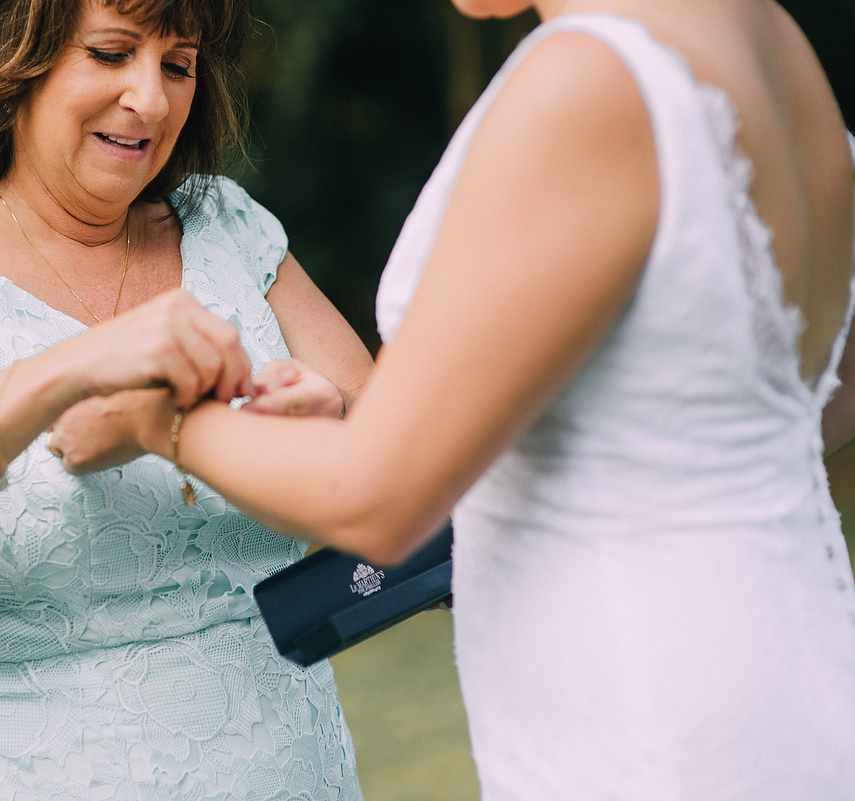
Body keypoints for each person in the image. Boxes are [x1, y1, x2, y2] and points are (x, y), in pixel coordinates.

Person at [53, 0, 855, 796]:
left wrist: (157, 419)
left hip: (650, 718)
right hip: (793, 664)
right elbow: (815, 399)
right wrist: (406, 414)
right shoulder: (775, 48)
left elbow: (375, 499)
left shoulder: (588, 78)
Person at [0, 0, 374, 797]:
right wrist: (66, 370)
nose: (152, 100)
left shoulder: (226, 227)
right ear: (12, 55)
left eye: (177, 63)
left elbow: (399, 453)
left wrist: (322, 419)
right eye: (112, 53)